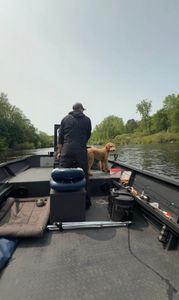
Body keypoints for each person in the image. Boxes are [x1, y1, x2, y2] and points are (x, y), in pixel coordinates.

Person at [56, 102, 92, 209]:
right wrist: (81, 143)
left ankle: (63, 203)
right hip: (81, 149)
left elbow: (60, 138)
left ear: (73, 109)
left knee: (63, 174)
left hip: (67, 149)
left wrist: (59, 152)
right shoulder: (87, 119)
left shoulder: (64, 119)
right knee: (84, 175)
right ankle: (86, 203)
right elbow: (88, 134)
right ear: (80, 109)